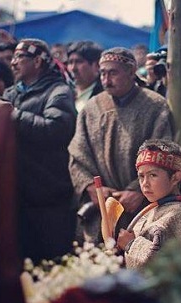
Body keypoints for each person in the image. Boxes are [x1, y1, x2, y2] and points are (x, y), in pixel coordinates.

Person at [68, 47, 174, 244]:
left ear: (131, 72)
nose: (106, 79)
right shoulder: (91, 108)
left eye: (113, 72)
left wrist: (138, 189)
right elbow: (77, 154)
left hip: (142, 207)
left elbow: (162, 153)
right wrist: (91, 187)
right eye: (103, 73)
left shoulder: (155, 106)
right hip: (101, 210)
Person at [3, 38, 77, 262]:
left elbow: (57, 129)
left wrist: (13, 115)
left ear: (37, 61)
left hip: (48, 193)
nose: (13, 63)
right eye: (13, 57)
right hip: (18, 192)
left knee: (50, 262)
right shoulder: (10, 94)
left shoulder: (59, 92)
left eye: (19, 57)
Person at [116, 139, 181, 270]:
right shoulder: (150, 211)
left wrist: (132, 245)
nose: (145, 183)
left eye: (153, 175)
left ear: (175, 178)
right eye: (141, 176)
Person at [66, 40, 103, 112]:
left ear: (96, 65)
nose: (73, 68)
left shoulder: (105, 96)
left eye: (79, 62)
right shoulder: (64, 92)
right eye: (70, 62)